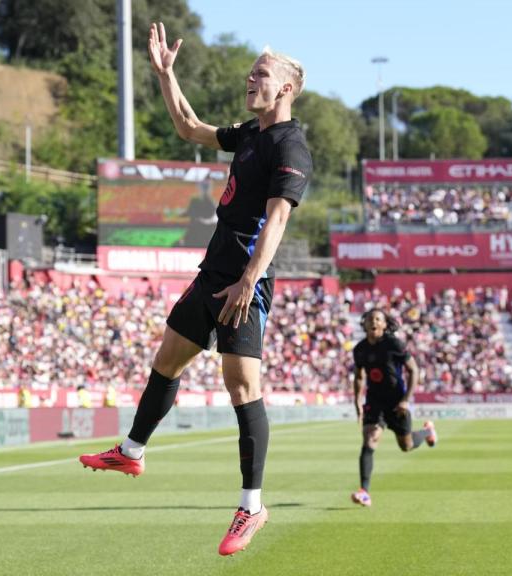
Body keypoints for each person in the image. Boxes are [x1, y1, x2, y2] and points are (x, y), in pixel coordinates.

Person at [79, 21, 312, 556]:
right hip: (214, 271)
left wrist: (247, 283)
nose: (250, 80)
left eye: (261, 74)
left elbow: (276, 224)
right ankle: (133, 449)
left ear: (287, 89)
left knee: (241, 387)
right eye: (251, 72)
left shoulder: (290, 147)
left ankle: (252, 508)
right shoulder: (251, 134)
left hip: (244, 280)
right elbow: (188, 126)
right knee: (168, 359)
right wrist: (166, 74)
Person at [350, 309, 437, 507]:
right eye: (370, 319)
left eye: (378, 319)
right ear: (364, 324)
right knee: (370, 438)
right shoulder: (360, 349)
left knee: (406, 446)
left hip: (397, 401)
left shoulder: (394, 344)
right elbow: (358, 376)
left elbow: (413, 370)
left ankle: (427, 431)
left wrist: (406, 399)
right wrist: (357, 401)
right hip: (375, 401)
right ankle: (364, 491)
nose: (373, 321)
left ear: (384, 324)